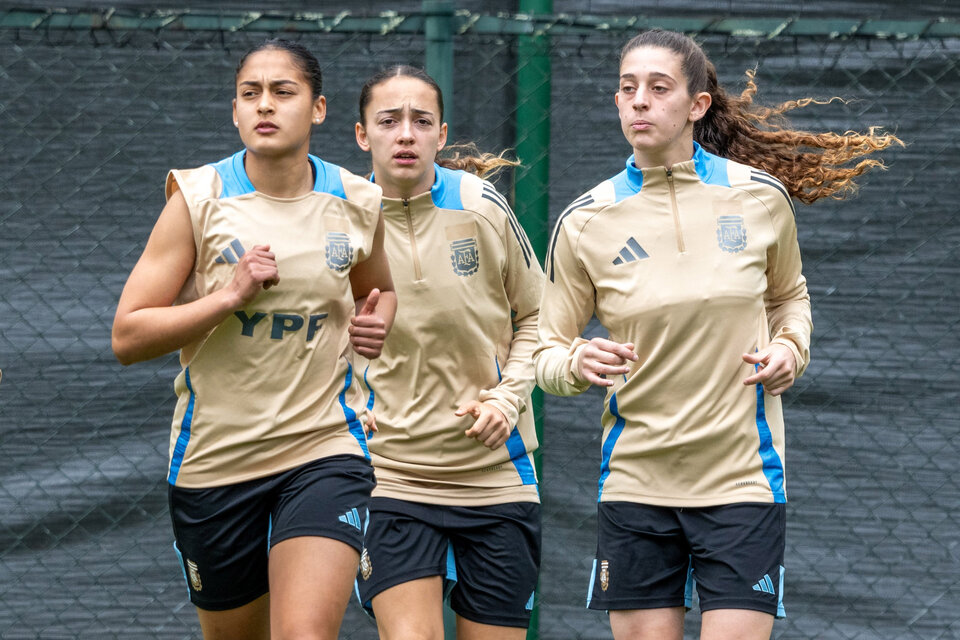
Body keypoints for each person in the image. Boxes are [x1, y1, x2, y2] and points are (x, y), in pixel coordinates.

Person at [533, 29, 902, 640]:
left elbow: (790, 298)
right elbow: (546, 347)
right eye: (627, 89)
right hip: (636, 482)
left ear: (697, 105)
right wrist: (576, 362)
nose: (640, 102)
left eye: (658, 88)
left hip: (742, 481)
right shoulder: (585, 221)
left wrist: (790, 348)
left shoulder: (759, 198)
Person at [111, 39, 396, 640]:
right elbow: (128, 334)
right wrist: (227, 298)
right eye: (250, 93)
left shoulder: (356, 199)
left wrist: (377, 319)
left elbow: (379, 289)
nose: (265, 105)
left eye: (283, 92)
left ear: (317, 109)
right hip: (216, 461)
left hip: (324, 449)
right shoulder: (198, 198)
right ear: (236, 111)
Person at [352, 65, 545, 640]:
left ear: (441, 133)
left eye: (421, 121)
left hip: (496, 477)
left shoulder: (482, 206)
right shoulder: (337, 218)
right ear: (363, 135)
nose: (405, 134)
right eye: (388, 121)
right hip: (387, 478)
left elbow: (541, 318)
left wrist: (508, 400)